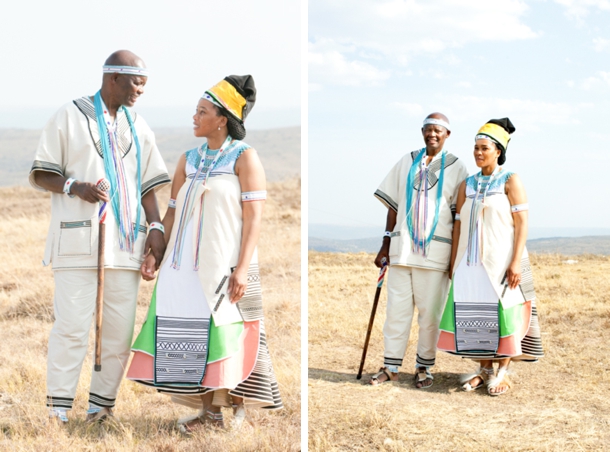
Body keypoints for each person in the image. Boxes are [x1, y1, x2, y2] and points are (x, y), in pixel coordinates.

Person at [126, 75, 283, 433]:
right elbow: (171, 212)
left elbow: (254, 217)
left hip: (225, 265)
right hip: (181, 268)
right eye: (195, 111)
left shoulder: (245, 158)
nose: (194, 117)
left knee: (227, 331)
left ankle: (230, 409)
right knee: (197, 335)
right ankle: (209, 413)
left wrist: (242, 269)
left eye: (202, 111)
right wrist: (156, 253)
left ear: (222, 118)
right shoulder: (188, 158)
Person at [29, 50, 171, 423]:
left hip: (126, 246)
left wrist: (155, 227)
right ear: (113, 78)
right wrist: (75, 186)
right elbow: (42, 172)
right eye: (136, 83)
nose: (140, 91)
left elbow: (148, 186)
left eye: (144, 84)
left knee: (118, 334)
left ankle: (100, 409)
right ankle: (57, 412)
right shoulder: (70, 116)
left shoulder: (139, 126)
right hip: (78, 242)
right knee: (72, 327)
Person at [437, 118, 544, 396]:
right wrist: (453, 263)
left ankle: (503, 373)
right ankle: (483, 371)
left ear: (498, 151)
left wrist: (515, 262)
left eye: (484, 148)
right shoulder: (467, 184)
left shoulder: (510, 180)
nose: (478, 153)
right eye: (475, 148)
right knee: (477, 315)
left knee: (503, 314)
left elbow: (522, 224)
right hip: (469, 264)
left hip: (502, 261)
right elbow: (458, 225)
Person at [369, 113, 469, 388]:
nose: (432, 135)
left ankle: (424, 367)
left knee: (430, 316)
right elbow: (393, 204)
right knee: (396, 313)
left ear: (447, 134)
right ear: (422, 132)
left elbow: (458, 215)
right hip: (402, 250)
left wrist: (455, 258)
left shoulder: (457, 166)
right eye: (428, 130)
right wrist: (385, 243)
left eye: (438, 130)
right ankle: (390, 367)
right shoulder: (407, 160)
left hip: (436, 254)